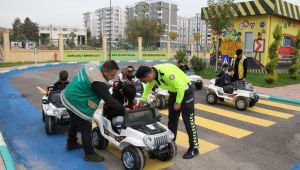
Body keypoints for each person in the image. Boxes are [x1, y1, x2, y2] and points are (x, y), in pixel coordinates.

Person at [61, 60, 125, 162]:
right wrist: (123, 109)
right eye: (112, 75)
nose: (113, 77)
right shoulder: (98, 82)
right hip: (76, 102)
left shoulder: (93, 64)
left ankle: (71, 143)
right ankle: (89, 154)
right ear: (104, 71)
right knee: (86, 127)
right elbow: (110, 101)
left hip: (68, 95)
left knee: (74, 121)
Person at [135, 63, 199, 159]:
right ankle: (170, 143)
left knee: (189, 121)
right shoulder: (153, 74)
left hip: (186, 92)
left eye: (144, 80)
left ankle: (194, 148)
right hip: (173, 92)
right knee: (172, 120)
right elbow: (149, 86)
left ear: (148, 76)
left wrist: (178, 102)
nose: (144, 82)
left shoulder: (167, 74)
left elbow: (181, 86)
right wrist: (143, 100)